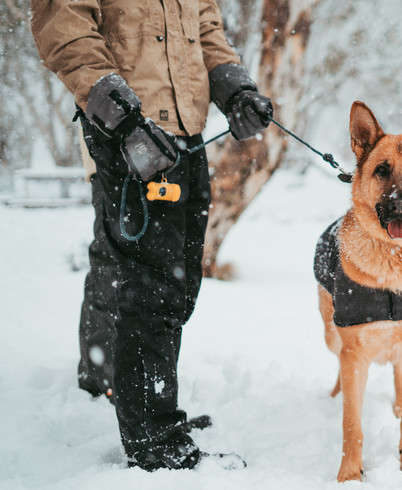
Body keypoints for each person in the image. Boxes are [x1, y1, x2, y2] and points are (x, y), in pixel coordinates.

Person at [31, 0, 272, 471]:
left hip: (187, 135)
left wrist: (235, 90)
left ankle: (153, 408)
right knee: (152, 289)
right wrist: (119, 112)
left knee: (179, 288)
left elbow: (205, 30)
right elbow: (64, 26)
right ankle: (153, 438)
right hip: (130, 135)